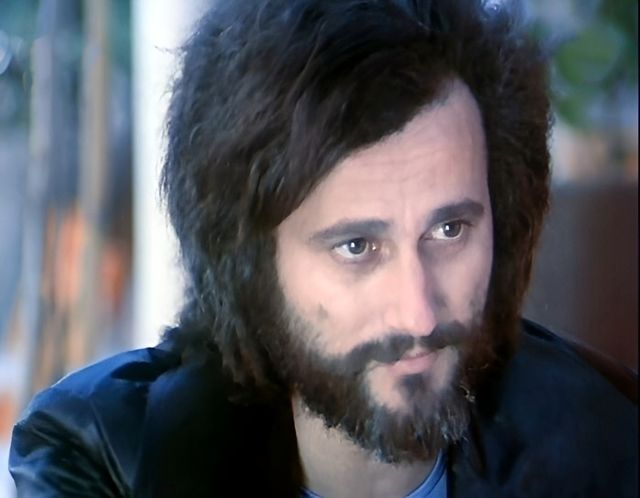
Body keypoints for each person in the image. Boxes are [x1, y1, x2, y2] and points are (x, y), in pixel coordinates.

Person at [9, 0, 637, 496]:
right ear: (251, 263)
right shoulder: (109, 458)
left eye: (449, 231)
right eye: (358, 246)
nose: (418, 314)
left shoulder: (615, 445)